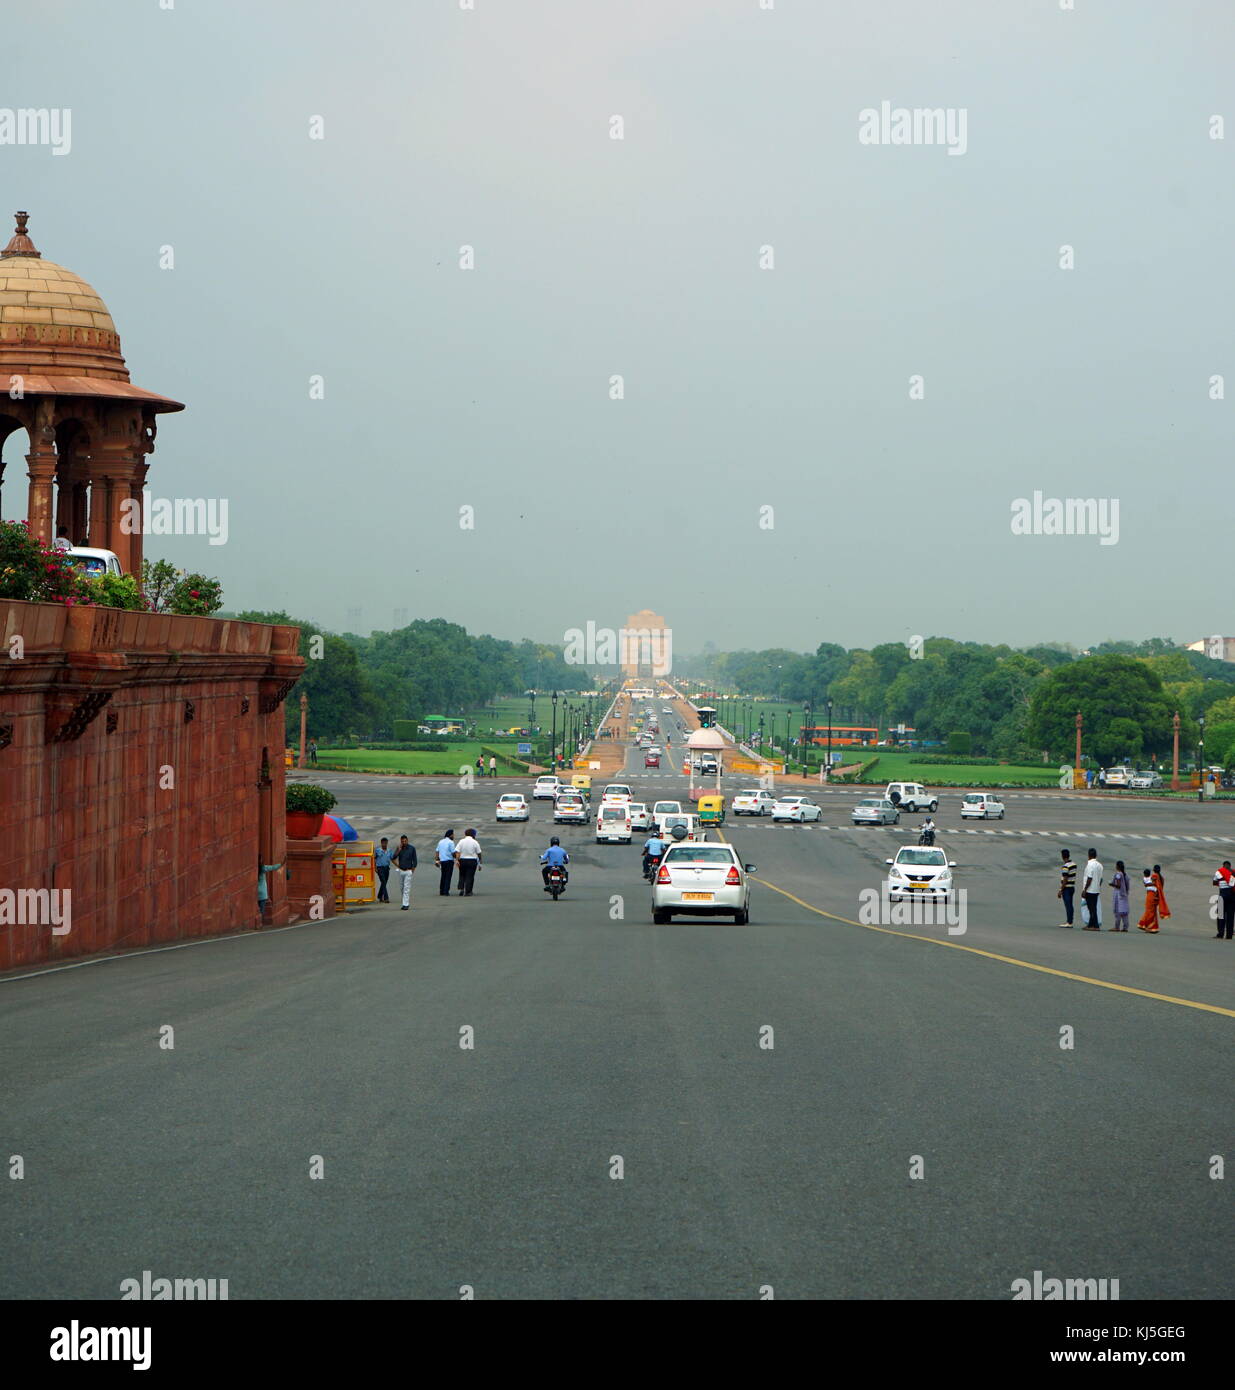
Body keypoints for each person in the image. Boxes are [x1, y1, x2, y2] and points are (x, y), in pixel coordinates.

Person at [454, 828, 482, 896]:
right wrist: (480, 862)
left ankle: (461, 889)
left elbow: (457, 851)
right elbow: (479, 853)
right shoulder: (475, 842)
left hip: (462, 860)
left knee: (462, 875)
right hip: (472, 861)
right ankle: (468, 891)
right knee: (470, 876)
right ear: (473, 835)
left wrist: (457, 860)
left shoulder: (461, 841)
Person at [1081, 848, 1103, 930]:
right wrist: (1098, 887)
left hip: (1090, 890)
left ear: (1089, 855)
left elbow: (1089, 878)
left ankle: (1096, 926)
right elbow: (1101, 879)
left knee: (1091, 908)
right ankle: (1090, 924)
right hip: (1096, 890)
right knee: (1093, 907)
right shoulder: (1100, 865)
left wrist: (1085, 889)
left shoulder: (1090, 865)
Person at [393, 835, 418, 910]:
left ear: (407, 840)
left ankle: (405, 904)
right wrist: (398, 850)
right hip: (401, 871)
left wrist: (413, 869)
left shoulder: (412, 848)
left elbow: (415, 860)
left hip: (408, 870)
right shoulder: (399, 848)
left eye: (405, 841)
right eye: (402, 841)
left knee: (406, 888)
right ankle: (404, 902)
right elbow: (393, 857)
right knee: (402, 888)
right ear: (401, 841)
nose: (404, 842)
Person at [1213, 860, 1235, 940]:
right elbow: (1233, 884)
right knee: (1230, 916)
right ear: (1230, 865)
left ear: (1223, 865)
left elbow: (1214, 882)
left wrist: (1221, 882)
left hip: (1223, 895)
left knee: (1221, 915)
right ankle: (1229, 936)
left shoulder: (1219, 871)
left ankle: (1220, 934)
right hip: (1233, 896)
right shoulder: (1233, 872)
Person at [1057, 848, 1077, 927]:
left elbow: (1065, 879)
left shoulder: (1065, 866)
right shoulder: (1074, 864)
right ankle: (1070, 921)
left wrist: (1060, 890)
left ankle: (1069, 922)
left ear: (1062, 856)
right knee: (1070, 905)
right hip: (1072, 887)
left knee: (1068, 905)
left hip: (1067, 888)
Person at [435, 828, 457, 896]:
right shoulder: (451, 842)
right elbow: (453, 852)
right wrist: (456, 858)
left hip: (442, 861)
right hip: (449, 861)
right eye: (453, 835)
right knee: (448, 876)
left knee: (443, 876)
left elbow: (437, 851)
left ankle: (441, 891)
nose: (454, 836)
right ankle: (446, 891)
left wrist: (437, 860)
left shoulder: (440, 841)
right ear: (450, 835)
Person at [1137, 868, 1159, 933]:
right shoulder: (1146, 879)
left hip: (1151, 894)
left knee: (1149, 910)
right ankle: (1146, 925)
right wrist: (1154, 883)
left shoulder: (1149, 878)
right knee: (1150, 911)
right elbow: (1149, 884)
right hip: (1151, 894)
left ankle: (1143, 924)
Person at [1109, 860, 1130, 932]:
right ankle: (1125, 927)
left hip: (1118, 894)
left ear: (1117, 866)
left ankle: (1117, 926)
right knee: (1124, 911)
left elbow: (1118, 885)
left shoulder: (1118, 874)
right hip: (1124, 894)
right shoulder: (1125, 875)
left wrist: (1112, 884)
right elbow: (1127, 886)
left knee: (1118, 911)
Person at [374, 837, 392, 903]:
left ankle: (379, 895)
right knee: (383, 882)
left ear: (387, 843)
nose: (384, 844)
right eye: (383, 843)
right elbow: (374, 859)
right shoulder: (377, 850)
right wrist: (375, 867)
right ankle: (386, 898)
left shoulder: (389, 850)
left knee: (384, 883)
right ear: (381, 843)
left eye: (385, 843)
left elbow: (392, 858)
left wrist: (398, 866)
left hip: (386, 868)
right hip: (380, 868)